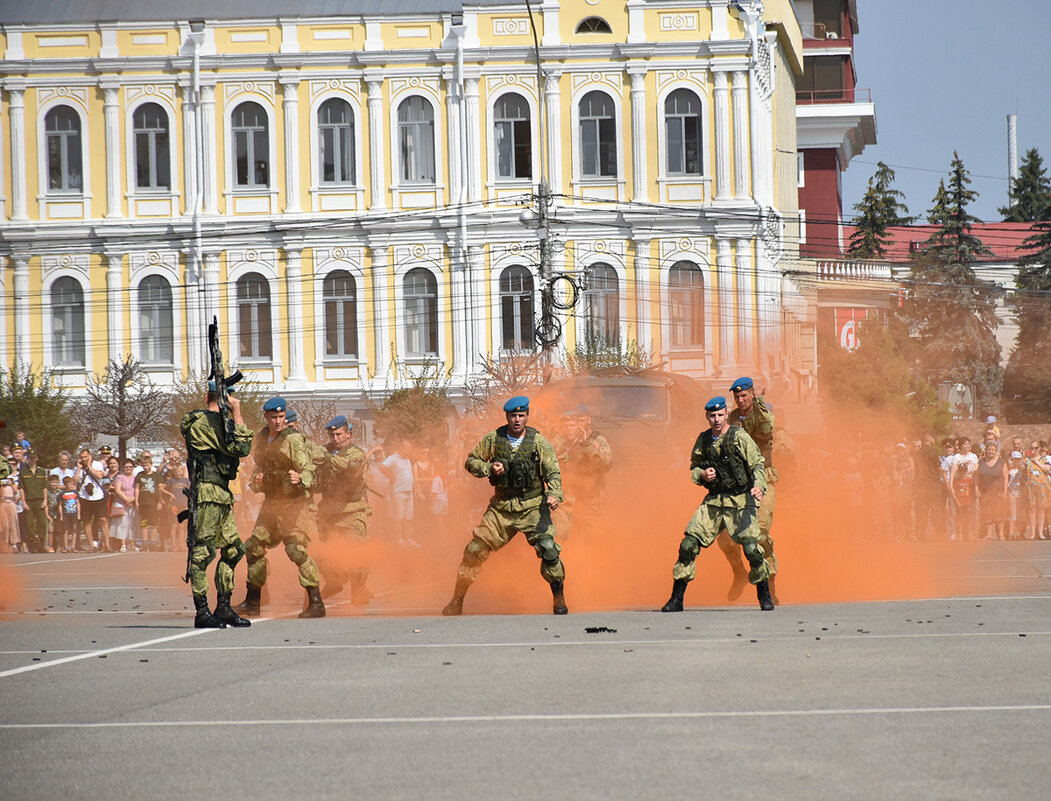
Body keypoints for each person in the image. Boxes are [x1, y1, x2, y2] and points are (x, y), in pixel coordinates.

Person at [442, 396, 567, 616]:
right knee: (474, 550)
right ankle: (456, 601)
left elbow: (552, 471)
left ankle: (558, 598)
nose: (517, 420)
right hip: (501, 508)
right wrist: (490, 468)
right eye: (513, 416)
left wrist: (555, 494)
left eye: (521, 415)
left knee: (549, 549)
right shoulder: (494, 439)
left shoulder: (539, 442)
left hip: (533, 507)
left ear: (527, 416)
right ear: (507, 417)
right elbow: (471, 461)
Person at [661, 396, 773, 613]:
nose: (717, 420)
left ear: (725, 414)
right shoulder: (703, 440)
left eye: (720, 415)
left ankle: (764, 594)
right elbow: (694, 467)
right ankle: (676, 598)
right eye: (712, 416)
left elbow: (758, 464)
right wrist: (702, 474)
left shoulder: (738, 437)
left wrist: (759, 486)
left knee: (751, 548)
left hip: (741, 502)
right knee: (688, 545)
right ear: (707, 417)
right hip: (714, 502)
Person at [236, 397, 325, 618]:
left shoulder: (292, 439)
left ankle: (316, 601)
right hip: (272, 504)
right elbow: (259, 468)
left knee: (295, 550)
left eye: (281, 417)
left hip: (295, 505)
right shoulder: (262, 438)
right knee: (253, 547)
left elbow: (308, 468)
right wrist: (256, 481)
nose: (278, 421)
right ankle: (253, 600)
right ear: (266, 417)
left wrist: (300, 477)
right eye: (274, 417)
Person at [180, 383, 255, 628]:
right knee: (202, 554)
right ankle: (202, 612)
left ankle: (223, 606)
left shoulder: (220, 422)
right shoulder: (204, 423)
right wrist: (237, 413)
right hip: (206, 493)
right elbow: (242, 448)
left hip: (221, 494)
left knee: (234, 549)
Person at [720, 377, 779, 602]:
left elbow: (765, 429)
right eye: (737, 396)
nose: (740, 399)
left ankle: (770, 584)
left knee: (760, 532)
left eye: (744, 395)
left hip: (762, 480)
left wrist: (761, 400)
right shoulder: (732, 418)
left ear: (752, 394)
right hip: (737, 483)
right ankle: (739, 573)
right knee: (724, 536)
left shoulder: (762, 414)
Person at [316, 415, 373, 605]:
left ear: (348, 434)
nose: (335, 438)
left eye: (339, 434)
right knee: (322, 553)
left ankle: (358, 589)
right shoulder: (324, 452)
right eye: (332, 435)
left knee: (357, 552)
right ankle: (334, 581)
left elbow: (353, 468)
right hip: (328, 512)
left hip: (352, 511)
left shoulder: (356, 453)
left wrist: (329, 459)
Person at [551, 405, 612, 540]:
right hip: (565, 501)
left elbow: (605, 466)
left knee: (594, 538)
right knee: (559, 535)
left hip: (589, 501)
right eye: (565, 426)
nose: (569, 429)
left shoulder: (593, 442)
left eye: (572, 425)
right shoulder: (558, 444)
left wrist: (589, 448)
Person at [379, 440, 418, 548]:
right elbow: (382, 467)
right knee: (399, 518)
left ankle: (408, 539)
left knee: (408, 517)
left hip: (408, 491)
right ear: (402, 448)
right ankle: (399, 540)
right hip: (398, 491)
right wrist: (392, 478)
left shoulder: (407, 459)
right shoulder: (393, 458)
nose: (410, 451)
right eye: (408, 448)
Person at [74, 448, 108, 551]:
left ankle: (107, 544)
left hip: (98, 496)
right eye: (82, 457)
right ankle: (91, 545)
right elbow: (74, 481)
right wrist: (79, 468)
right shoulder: (79, 468)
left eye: (86, 457)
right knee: (87, 522)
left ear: (90, 456)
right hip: (85, 497)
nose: (84, 459)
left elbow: (99, 475)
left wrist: (89, 466)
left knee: (103, 520)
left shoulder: (97, 464)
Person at [976, 440, 1008, 541]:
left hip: (998, 492)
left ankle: (1001, 534)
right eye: (989, 449)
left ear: (996, 451)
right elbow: (976, 478)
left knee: (999, 513)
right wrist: (977, 489)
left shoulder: (1001, 462)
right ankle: (989, 534)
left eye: (993, 450)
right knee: (987, 513)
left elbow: (1006, 477)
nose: (991, 452)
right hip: (985, 492)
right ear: (986, 450)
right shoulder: (981, 462)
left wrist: (1005, 492)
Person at [18, 451, 49, 553]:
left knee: (42, 523)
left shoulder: (41, 472)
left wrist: (45, 500)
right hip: (29, 500)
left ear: (36, 458)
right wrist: (23, 502)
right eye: (30, 458)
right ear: (28, 459)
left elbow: (45, 487)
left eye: (34, 458)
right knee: (29, 523)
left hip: (39, 500)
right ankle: (33, 543)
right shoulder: (23, 472)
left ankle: (42, 544)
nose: (32, 460)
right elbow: (21, 488)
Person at [949, 436, 979, 541]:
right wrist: (951, 486)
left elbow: (976, 470)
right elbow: (953, 472)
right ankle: (958, 533)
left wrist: (976, 487)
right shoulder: (956, 457)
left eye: (968, 444)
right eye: (965, 444)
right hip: (959, 484)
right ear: (961, 446)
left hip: (970, 484)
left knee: (972, 512)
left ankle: (972, 533)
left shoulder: (973, 456)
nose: (968, 446)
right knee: (958, 512)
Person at [134, 453, 162, 551]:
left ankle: (153, 542)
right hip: (143, 503)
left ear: (151, 464)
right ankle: (145, 543)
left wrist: (159, 501)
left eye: (147, 465)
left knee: (154, 523)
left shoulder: (156, 476)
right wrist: (136, 501)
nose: (146, 467)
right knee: (144, 523)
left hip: (153, 503)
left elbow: (160, 490)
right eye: (144, 465)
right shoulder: (140, 475)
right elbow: (137, 488)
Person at [57, 475, 80, 552]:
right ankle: (66, 546)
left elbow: (78, 503)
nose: (71, 486)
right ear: (65, 485)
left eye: (73, 484)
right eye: (70, 484)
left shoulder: (75, 493)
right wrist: (61, 515)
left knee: (74, 529)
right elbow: (60, 505)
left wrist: (79, 514)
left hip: (74, 513)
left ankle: (73, 546)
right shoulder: (62, 494)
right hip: (66, 514)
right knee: (66, 530)